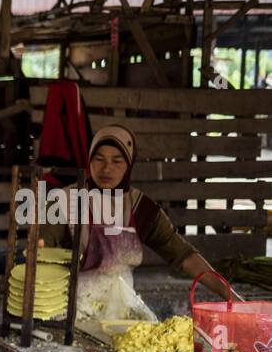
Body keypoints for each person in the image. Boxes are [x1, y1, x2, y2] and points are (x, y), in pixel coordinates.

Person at [39, 124, 234, 305]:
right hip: (70, 306)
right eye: (99, 159)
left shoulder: (141, 207)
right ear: (89, 160)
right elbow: (41, 252)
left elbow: (184, 256)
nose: (106, 169)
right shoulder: (64, 201)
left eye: (117, 161)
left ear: (129, 163)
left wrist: (230, 296)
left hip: (121, 308)